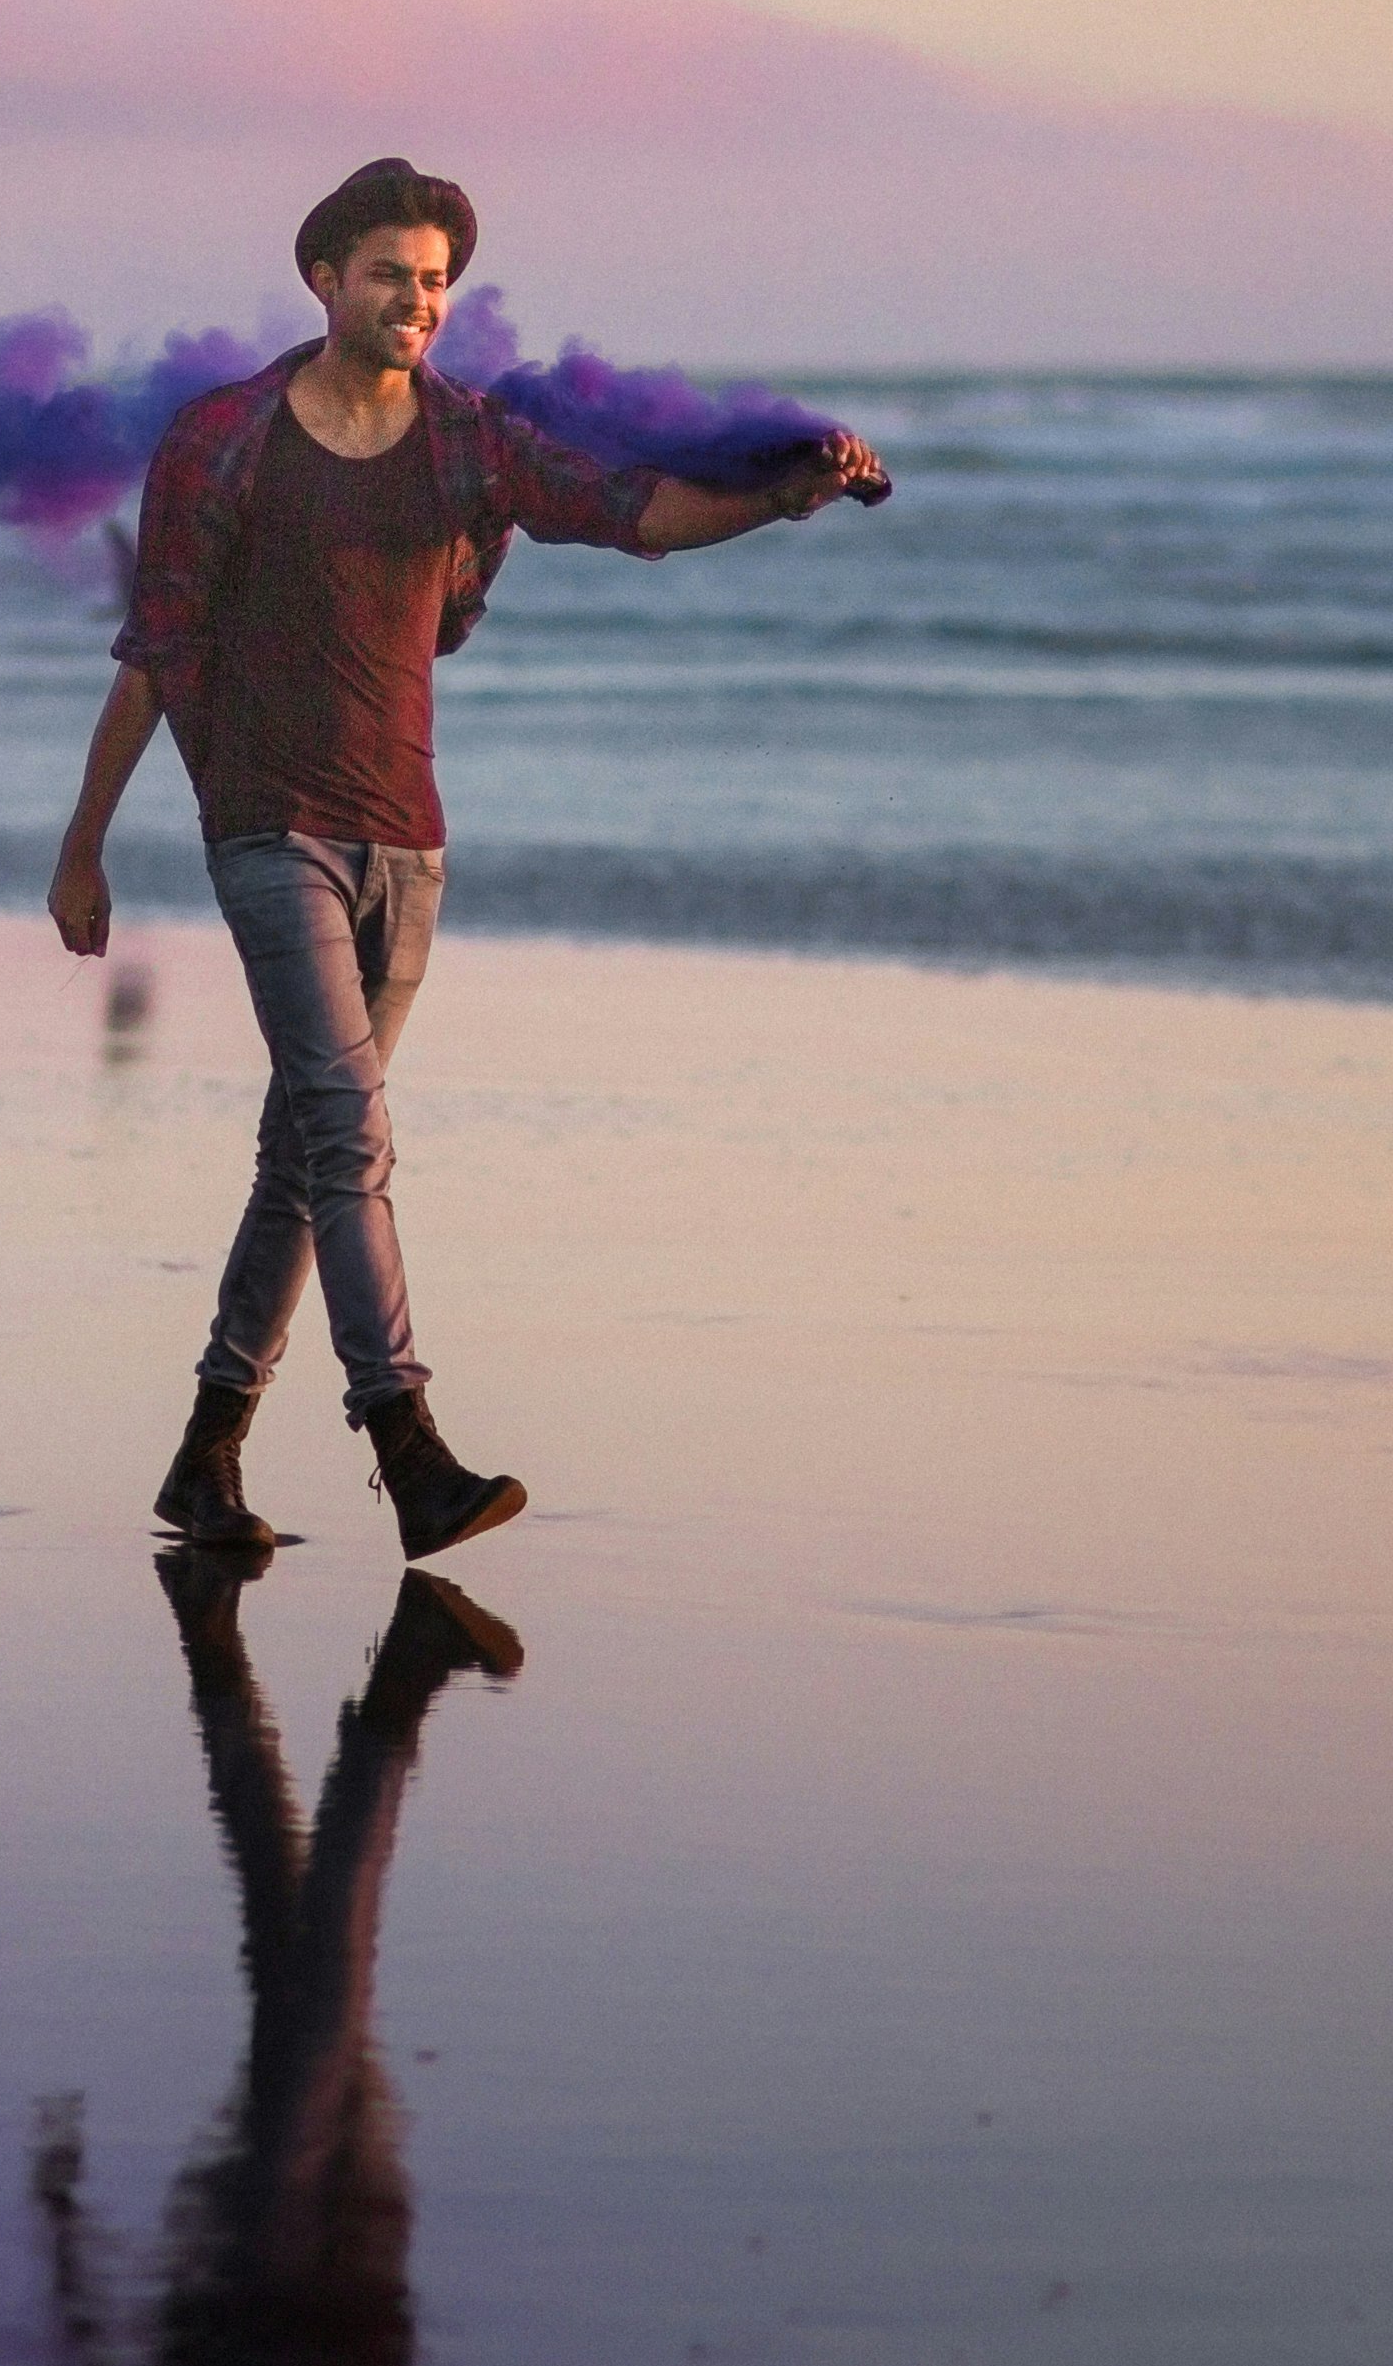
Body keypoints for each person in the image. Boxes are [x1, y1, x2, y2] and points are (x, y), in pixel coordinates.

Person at [47, 158, 882, 1559]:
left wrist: (779, 496)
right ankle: (406, 1441)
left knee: (302, 1153)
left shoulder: (464, 441)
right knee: (350, 1135)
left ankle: (205, 1458)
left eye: (435, 281)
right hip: (265, 826)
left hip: (407, 839)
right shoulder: (223, 441)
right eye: (389, 275)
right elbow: (155, 650)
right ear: (322, 279)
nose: (414, 302)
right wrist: (83, 850)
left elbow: (637, 516)